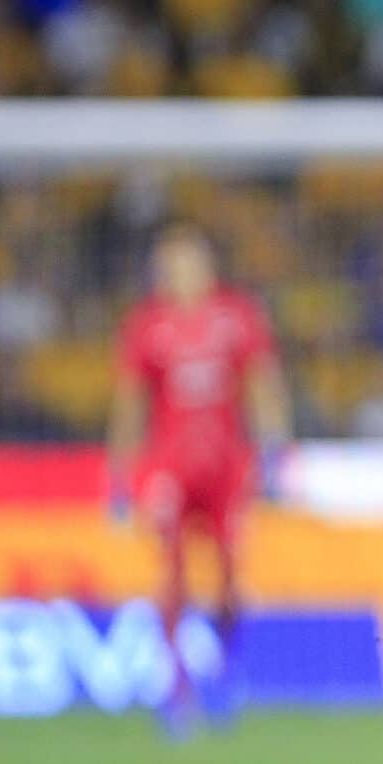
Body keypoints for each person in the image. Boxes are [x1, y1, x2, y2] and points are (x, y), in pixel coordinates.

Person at [107, 220, 291, 736]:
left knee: (231, 578)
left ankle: (228, 670)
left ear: (207, 266)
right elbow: (130, 403)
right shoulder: (147, 325)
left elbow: (262, 383)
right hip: (169, 467)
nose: (180, 273)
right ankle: (177, 688)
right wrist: (119, 476)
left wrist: (274, 451)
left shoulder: (236, 317)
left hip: (226, 467)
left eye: (189, 261)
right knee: (171, 577)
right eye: (171, 264)